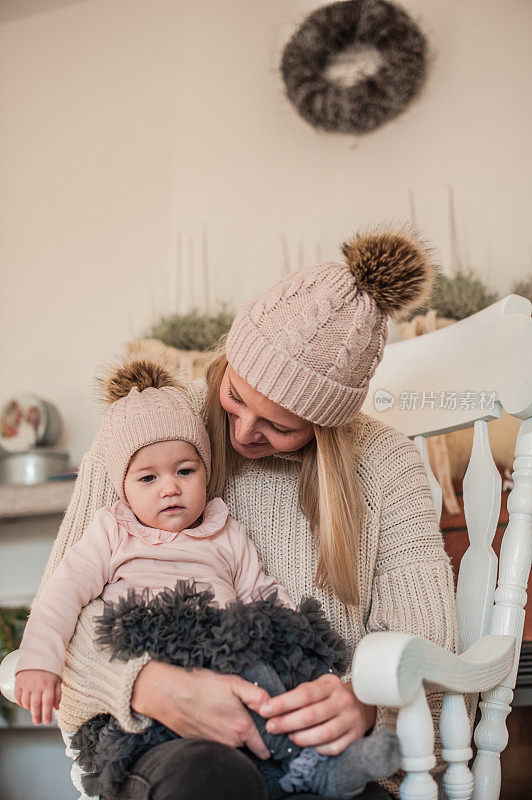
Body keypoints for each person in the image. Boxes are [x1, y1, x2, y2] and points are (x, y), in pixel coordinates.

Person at [32, 226, 459, 800]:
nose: (240, 433)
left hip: (313, 754)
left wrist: (364, 703)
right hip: (174, 753)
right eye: (235, 396)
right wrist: (149, 687)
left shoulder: (386, 466)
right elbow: (62, 610)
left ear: (325, 424)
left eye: (279, 426)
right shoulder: (150, 427)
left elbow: (432, 652)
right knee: (207, 781)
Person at [14, 369, 399, 799]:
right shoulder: (111, 532)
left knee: (265, 680)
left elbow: (263, 595)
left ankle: (314, 764)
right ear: (122, 486)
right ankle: (313, 769)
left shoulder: (223, 531)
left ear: (205, 470)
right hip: (153, 658)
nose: (170, 489)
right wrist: (38, 661)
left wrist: (301, 658)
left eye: (185, 470)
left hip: (224, 659)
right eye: (148, 478)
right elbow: (61, 595)